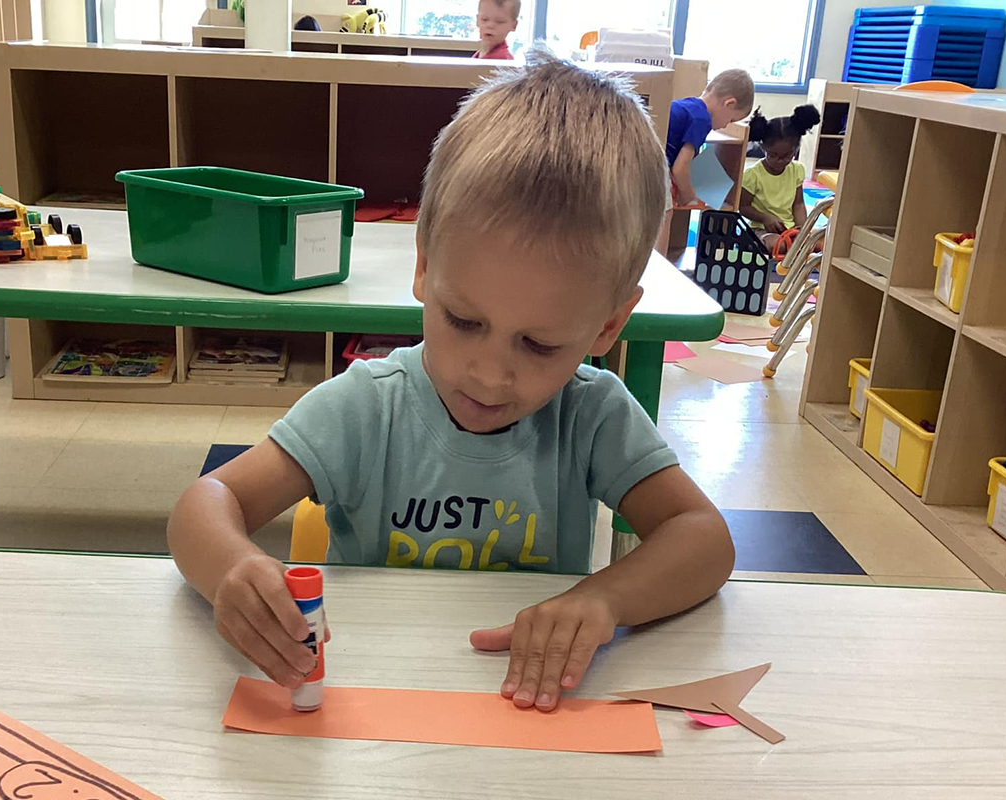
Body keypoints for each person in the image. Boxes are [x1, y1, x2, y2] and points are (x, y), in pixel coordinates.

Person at [167, 51, 734, 713]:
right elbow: (202, 506)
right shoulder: (366, 406)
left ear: (608, 327)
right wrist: (233, 570)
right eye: (464, 320)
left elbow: (704, 538)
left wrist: (603, 598)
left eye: (540, 344)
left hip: (525, 714)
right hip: (373, 700)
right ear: (425, 268)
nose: (490, 374)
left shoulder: (592, 415)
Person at [658, 69, 754, 257]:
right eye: (731, 119)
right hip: (654, 167)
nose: (727, 125)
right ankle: (660, 264)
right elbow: (680, 168)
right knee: (665, 213)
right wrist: (687, 193)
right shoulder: (702, 119)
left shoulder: (688, 104)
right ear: (729, 103)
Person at [739, 105, 821, 250]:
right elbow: (743, 207)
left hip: (789, 229)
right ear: (763, 148)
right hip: (760, 230)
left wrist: (803, 229)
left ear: (796, 149)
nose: (780, 161)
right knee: (779, 245)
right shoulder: (753, 175)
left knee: (819, 242)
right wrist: (765, 218)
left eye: (787, 155)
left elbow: (798, 204)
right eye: (773, 155)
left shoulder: (796, 170)